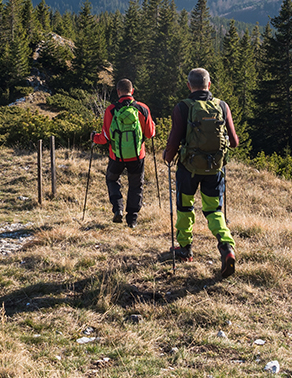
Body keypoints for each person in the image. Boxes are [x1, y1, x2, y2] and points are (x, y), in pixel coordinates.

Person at [162, 68, 239, 277]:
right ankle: (226, 246)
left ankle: (185, 249)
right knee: (214, 210)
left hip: (189, 169)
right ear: (209, 85)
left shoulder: (183, 107)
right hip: (215, 168)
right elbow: (234, 142)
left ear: (189, 85)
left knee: (185, 206)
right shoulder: (222, 106)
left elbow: (174, 140)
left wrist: (167, 157)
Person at [94, 78, 156, 226]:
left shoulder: (111, 110)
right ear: (132, 91)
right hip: (137, 155)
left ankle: (118, 209)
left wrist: (93, 137)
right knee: (136, 184)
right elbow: (149, 134)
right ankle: (132, 219)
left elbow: (105, 137)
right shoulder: (142, 108)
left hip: (116, 155)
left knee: (112, 179)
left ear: (118, 92)